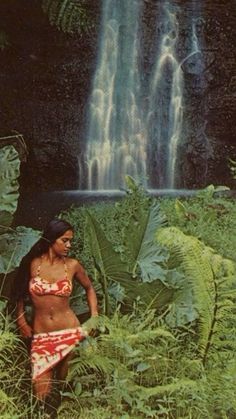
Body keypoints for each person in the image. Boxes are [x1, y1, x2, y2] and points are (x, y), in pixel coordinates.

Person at [13, 218, 98, 404]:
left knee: (62, 388)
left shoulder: (73, 265)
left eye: (71, 241)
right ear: (52, 239)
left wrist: (94, 317)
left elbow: (90, 289)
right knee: (41, 395)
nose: (69, 245)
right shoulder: (33, 263)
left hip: (69, 333)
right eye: (64, 240)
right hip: (42, 336)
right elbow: (19, 294)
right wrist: (21, 321)